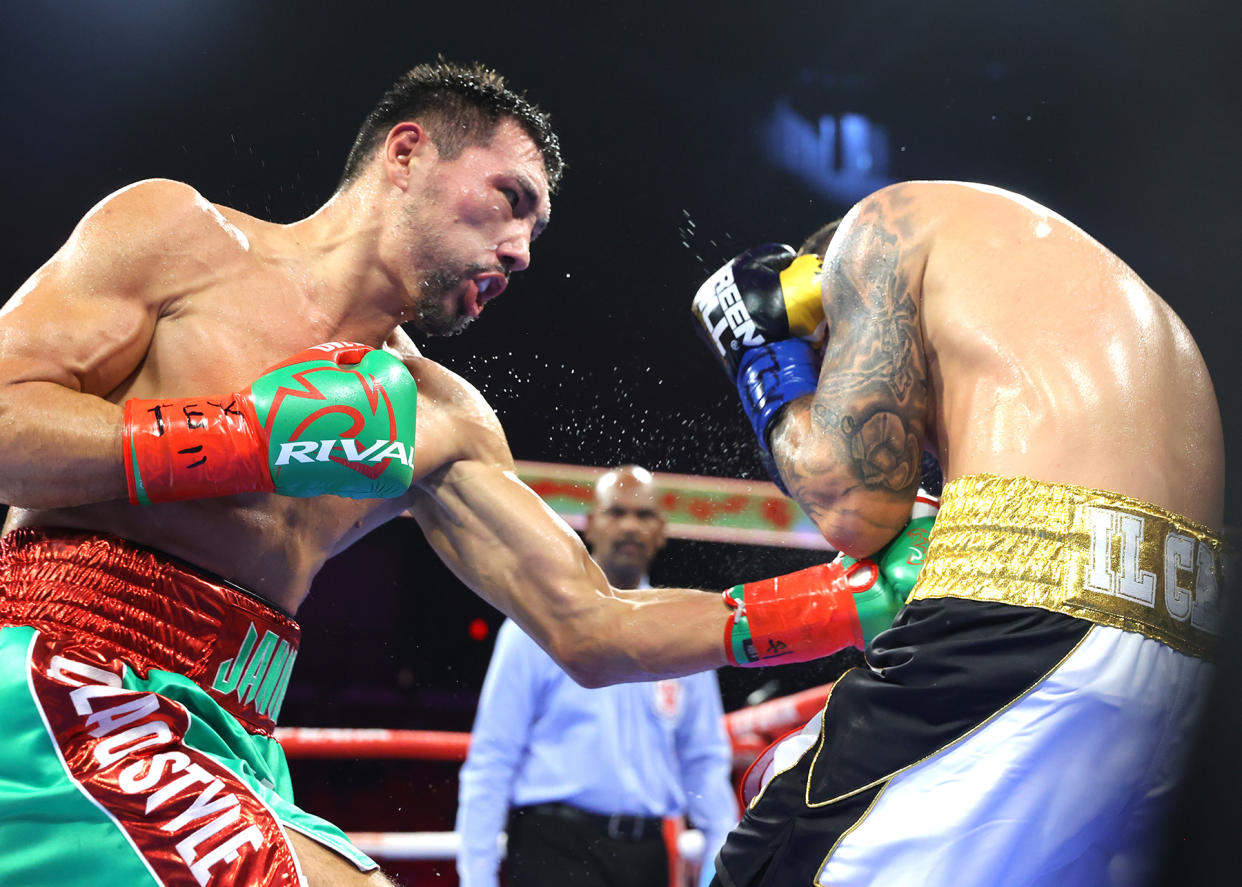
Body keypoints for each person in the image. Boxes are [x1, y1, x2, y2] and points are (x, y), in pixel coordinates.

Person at [0, 59, 926, 887]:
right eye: (512, 199)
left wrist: (847, 602)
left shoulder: (438, 416)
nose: (522, 249)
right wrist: (238, 439)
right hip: (65, 682)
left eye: (536, 226)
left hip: (233, 738)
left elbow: (590, 623)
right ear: (407, 153)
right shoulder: (181, 240)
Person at [689, 180, 1226, 887]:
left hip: (1033, 614)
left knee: (776, 851)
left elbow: (851, 500)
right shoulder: (1056, 285)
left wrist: (763, 361)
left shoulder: (874, 232)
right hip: (1189, 662)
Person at [456, 465, 737, 887]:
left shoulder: (686, 631)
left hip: (646, 854)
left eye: (643, 516)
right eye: (616, 512)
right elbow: (493, 757)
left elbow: (703, 760)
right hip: (553, 847)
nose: (629, 526)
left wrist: (722, 868)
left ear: (661, 531)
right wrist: (476, 879)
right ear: (590, 525)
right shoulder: (535, 626)